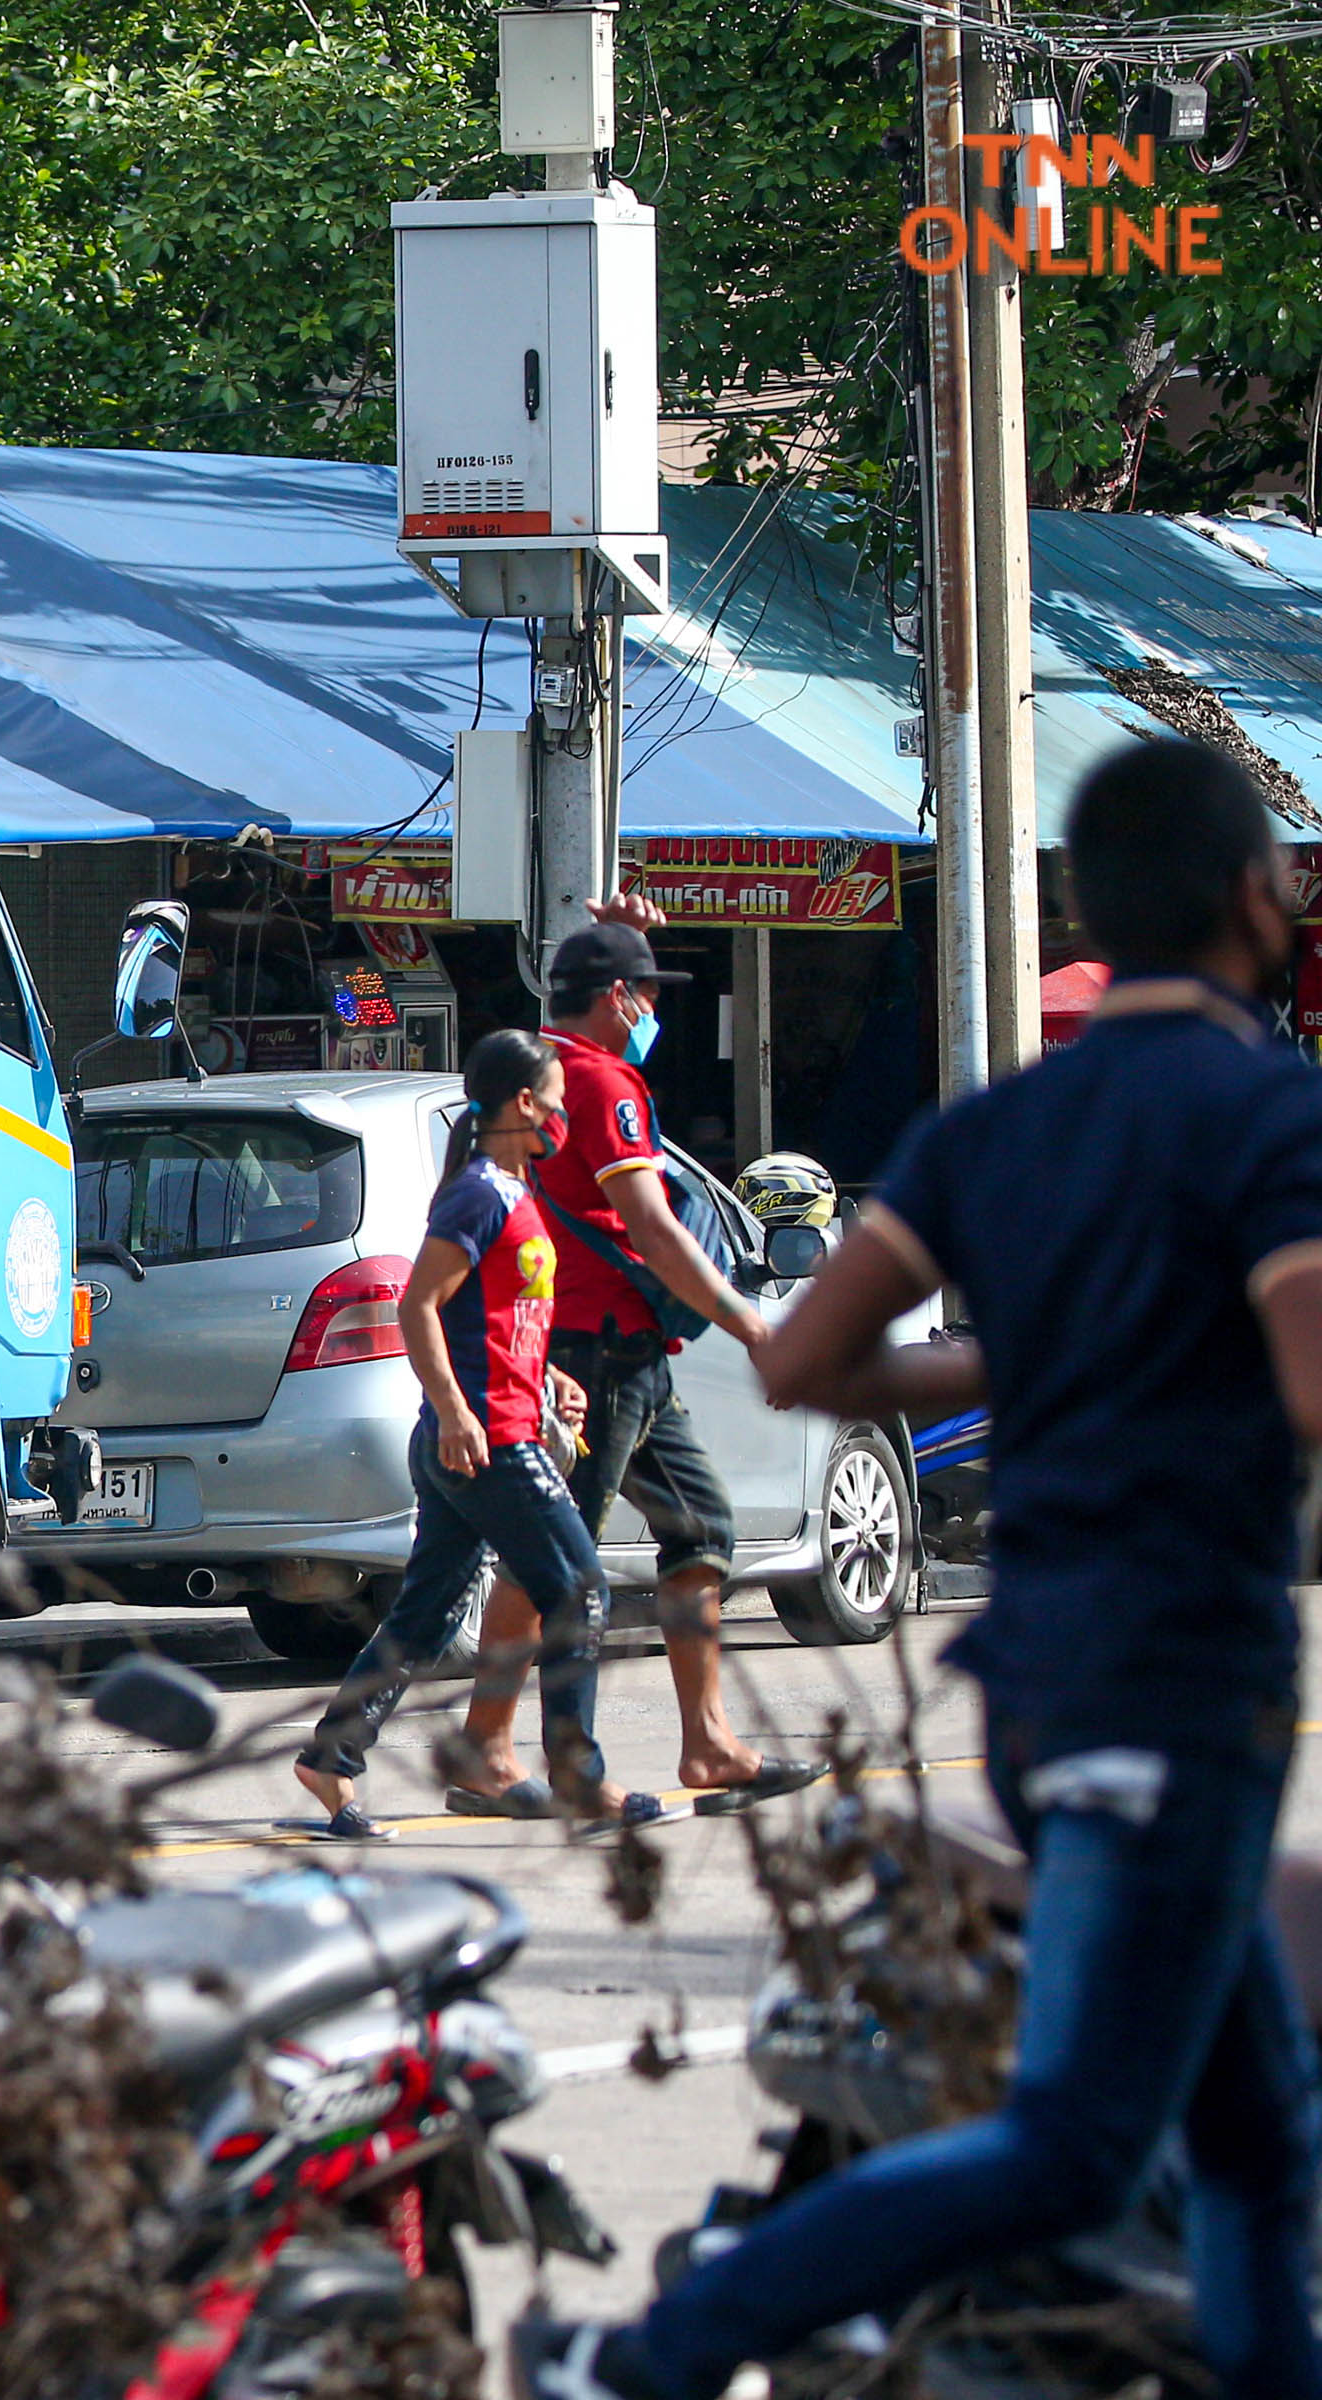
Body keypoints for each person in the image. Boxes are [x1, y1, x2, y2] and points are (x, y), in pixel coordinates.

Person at [519, 741, 1322, 2400]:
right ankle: (654, 2356)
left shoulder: (999, 1128)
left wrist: (1046, 1359)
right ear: (1258, 898)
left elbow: (808, 1359)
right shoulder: (1274, 1116)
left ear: (1089, 910)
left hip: (1038, 1689)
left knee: (1255, 2140)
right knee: (1079, 2151)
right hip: (1176, 1690)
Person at [449, 905, 821, 1816]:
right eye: (650, 993)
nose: (656, 1011)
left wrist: (614, 912)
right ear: (619, 999)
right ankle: (495, 1751)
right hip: (593, 1357)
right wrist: (753, 1326)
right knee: (551, 1563)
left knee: (702, 1530)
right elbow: (653, 1227)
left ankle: (709, 1745)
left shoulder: (536, 1075)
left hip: (626, 1356)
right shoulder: (603, 1081)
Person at [287, 1031, 614, 1840]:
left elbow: (497, 1322)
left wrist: (548, 1381)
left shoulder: (511, 1191)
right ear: (523, 1104)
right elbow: (418, 1306)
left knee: (427, 1618)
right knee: (580, 1591)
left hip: (484, 1431)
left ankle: (330, 1760)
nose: (567, 1113)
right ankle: (578, 1775)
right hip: (485, 1443)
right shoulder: (477, 1194)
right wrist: (460, 1412)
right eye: (557, 1098)